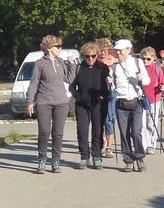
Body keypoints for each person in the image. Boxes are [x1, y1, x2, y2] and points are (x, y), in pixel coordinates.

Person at [26, 34, 75, 173]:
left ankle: (55, 161)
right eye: (57, 46)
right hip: (44, 102)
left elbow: (69, 79)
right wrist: (30, 102)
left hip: (61, 102)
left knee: (58, 133)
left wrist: (72, 65)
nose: (60, 48)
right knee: (44, 132)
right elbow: (34, 83)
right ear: (48, 48)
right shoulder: (39, 63)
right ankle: (42, 159)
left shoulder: (60, 62)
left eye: (60, 46)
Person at [110, 39, 151, 172]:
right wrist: (109, 82)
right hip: (121, 103)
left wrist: (140, 79)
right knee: (124, 133)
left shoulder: (137, 62)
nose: (118, 52)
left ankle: (139, 157)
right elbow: (112, 87)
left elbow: (147, 80)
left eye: (120, 50)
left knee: (136, 132)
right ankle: (128, 160)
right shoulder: (114, 66)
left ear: (128, 49)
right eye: (116, 50)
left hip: (136, 102)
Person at [69, 41, 109, 169]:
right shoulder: (79, 68)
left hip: (98, 104)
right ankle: (84, 156)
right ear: (83, 56)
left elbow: (108, 86)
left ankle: (97, 156)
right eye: (87, 56)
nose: (90, 59)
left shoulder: (103, 68)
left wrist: (104, 95)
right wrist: (79, 97)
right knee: (82, 131)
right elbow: (71, 87)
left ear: (97, 55)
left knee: (97, 130)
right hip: (82, 105)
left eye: (93, 56)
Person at [139, 46, 164, 154]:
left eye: (148, 59)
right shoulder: (138, 68)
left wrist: (162, 87)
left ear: (153, 58)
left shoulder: (157, 68)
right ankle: (144, 144)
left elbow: (162, 82)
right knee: (141, 123)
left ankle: (151, 144)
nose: (145, 61)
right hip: (140, 99)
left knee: (151, 122)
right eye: (143, 59)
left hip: (154, 98)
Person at [95, 38, 118, 156]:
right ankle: (103, 142)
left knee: (109, 119)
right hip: (98, 93)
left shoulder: (114, 61)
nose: (103, 52)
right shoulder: (95, 62)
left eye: (105, 50)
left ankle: (110, 146)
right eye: (100, 50)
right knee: (100, 120)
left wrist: (112, 80)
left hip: (111, 92)